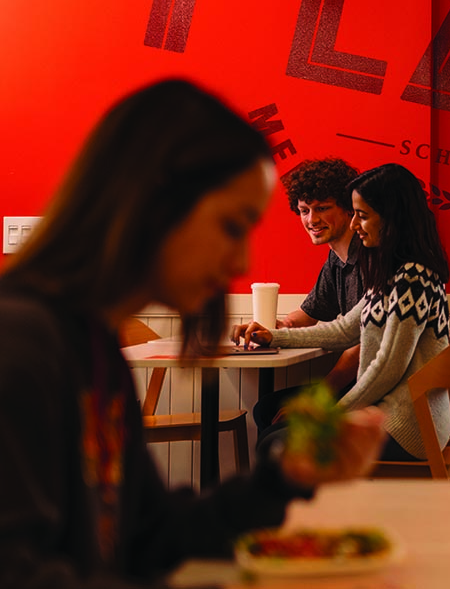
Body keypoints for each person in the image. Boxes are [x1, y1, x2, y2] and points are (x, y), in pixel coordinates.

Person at [0, 79, 385, 589]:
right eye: (232, 226)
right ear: (153, 204)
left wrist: (284, 478)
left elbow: (149, 534)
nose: (242, 260)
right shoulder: (20, 346)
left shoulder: (93, 350)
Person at [237, 163, 450, 463]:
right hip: (388, 411)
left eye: (362, 216)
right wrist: (273, 335)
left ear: (392, 219)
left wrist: (329, 411)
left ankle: (300, 510)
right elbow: (342, 331)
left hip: (406, 426)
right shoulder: (393, 275)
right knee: (274, 437)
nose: (354, 225)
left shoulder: (413, 279)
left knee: (276, 445)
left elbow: (388, 366)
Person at [246, 158, 363, 433]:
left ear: (348, 209)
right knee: (266, 408)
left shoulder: (370, 257)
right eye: (304, 210)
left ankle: (289, 473)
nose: (312, 220)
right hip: (361, 382)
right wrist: (277, 326)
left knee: (276, 422)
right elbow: (310, 313)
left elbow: (362, 345)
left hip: (371, 390)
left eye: (322, 208)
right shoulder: (336, 259)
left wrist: (318, 396)